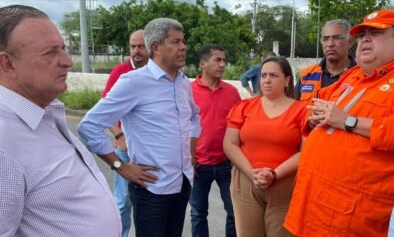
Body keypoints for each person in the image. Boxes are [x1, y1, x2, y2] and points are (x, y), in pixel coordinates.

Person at [0, 5, 121, 237]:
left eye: (63, 49)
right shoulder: (5, 139)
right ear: (7, 64)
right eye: (50, 52)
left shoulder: (43, 113)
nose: (67, 61)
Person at [78, 17, 201, 237]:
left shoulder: (183, 82)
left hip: (182, 182)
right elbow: (89, 125)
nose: (183, 47)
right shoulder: (133, 82)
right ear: (155, 47)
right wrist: (121, 166)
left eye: (183, 41)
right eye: (175, 42)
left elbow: (193, 117)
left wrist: (190, 150)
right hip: (151, 188)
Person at [284, 9, 394, 237]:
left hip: (350, 218)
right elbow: (316, 108)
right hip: (309, 208)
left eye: (376, 33)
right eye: (362, 34)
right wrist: (312, 118)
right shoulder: (353, 76)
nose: (365, 38)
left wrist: (347, 120)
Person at [224, 56, 306, 237]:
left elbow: (306, 152)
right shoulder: (244, 107)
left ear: (287, 80)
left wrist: (274, 174)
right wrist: (251, 172)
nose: (267, 80)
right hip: (246, 181)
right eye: (263, 75)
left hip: (285, 184)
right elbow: (229, 143)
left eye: (274, 75)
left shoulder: (302, 110)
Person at [102, 29, 149, 237]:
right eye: (133, 46)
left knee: (149, 204)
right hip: (125, 150)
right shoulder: (120, 71)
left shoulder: (159, 73)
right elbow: (103, 110)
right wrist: (119, 136)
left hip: (149, 149)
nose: (136, 51)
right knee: (122, 202)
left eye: (141, 46)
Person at [190, 44, 240, 237]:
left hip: (226, 164)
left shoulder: (231, 92)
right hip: (198, 165)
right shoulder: (188, 91)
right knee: (198, 213)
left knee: (234, 212)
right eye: (217, 60)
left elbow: (239, 127)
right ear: (203, 64)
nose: (222, 64)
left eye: (224, 60)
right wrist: (188, 156)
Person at [295, 19, 356, 102]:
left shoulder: (362, 76)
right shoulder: (307, 75)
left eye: (337, 38)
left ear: (350, 42)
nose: (330, 44)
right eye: (325, 39)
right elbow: (292, 110)